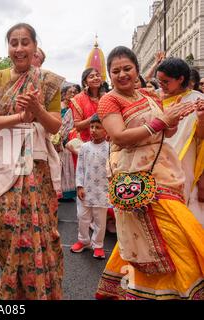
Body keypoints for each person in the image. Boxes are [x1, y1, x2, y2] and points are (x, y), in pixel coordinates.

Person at [96, 46, 204, 300]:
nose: (122, 74)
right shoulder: (109, 100)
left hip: (163, 172)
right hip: (133, 176)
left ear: (136, 69)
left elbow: (165, 134)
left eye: (127, 68)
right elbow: (120, 136)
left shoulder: (149, 95)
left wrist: (175, 120)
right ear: (110, 75)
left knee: (177, 231)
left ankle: (174, 290)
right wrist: (162, 121)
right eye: (115, 71)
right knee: (156, 235)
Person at [0, 23, 64, 300]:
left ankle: (38, 290)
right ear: (8, 47)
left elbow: (55, 127)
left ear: (34, 47)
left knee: (38, 231)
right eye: (13, 43)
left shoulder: (49, 81)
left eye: (25, 42)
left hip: (36, 163)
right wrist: (21, 116)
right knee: (1, 227)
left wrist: (37, 109)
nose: (19, 48)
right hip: (4, 157)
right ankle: (13, 286)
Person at [156, 57, 204, 225]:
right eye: (159, 80)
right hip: (157, 159)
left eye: (165, 81)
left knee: (182, 200)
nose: (160, 84)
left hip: (185, 158)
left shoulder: (196, 100)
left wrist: (201, 118)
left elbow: (200, 136)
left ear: (181, 79)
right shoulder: (156, 99)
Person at [70, 114, 109, 259]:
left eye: (98, 127)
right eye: (92, 127)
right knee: (82, 217)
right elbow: (80, 168)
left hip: (102, 190)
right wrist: (79, 186)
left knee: (100, 220)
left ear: (106, 130)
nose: (93, 130)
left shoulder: (110, 148)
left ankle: (98, 245)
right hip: (85, 190)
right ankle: (83, 240)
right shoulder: (84, 147)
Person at [70, 67, 105, 143]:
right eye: (91, 77)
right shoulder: (78, 99)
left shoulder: (106, 97)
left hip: (106, 141)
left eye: (98, 75)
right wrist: (96, 116)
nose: (96, 78)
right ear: (85, 82)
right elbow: (78, 126)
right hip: (85, 141)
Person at [56, 86, 77, 200]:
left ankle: (68, 193)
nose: (73, 94)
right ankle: (59, 192)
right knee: (59, 166)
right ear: (64, 94)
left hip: (70, 140)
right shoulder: (59, 106)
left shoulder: (75, 107)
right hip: (58, 140)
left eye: (75, 92)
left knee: (68, 166)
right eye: (70, 92)